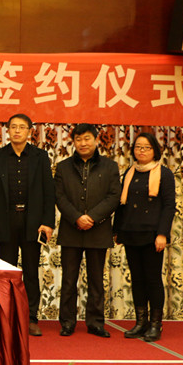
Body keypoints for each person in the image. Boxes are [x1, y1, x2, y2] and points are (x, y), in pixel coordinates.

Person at [0, 114, 55, 337]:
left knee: (31, 272)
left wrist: (47, 222)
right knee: (7, 271)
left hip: (32, 222)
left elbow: (49, 191)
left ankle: (31, 317)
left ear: (29, 131)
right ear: (7, 130)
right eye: (13, 127)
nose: (17, 131)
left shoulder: (40, 157)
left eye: (21, 127)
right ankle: (6, 316)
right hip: (6, 221)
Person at [55, 123, 121, 338]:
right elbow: (59, 196)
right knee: (68, 280)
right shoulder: (63, 167)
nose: (83, 143)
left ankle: (95, 323)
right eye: (78, 139)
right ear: (73, 142)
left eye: (87, 139)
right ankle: (67, 322)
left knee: (96, 280)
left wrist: (92, 217)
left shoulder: (110, 167)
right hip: (71, 229)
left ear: (96, 140)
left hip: (98, 230)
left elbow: (114, 196)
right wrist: (77, 217)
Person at [113, 132, 175, 342]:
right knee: (137, 279)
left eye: (146, 147)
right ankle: (141, 322)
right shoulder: (129, 173)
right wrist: (117, 231)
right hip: (130, 232)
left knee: (152, 279)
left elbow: (169, 206)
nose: (141, 151)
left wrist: (162, 234)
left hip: (152, 234)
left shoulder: (164, 174)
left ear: (154, 150)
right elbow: (121, 204)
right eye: (138, 147)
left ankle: (156, 325)